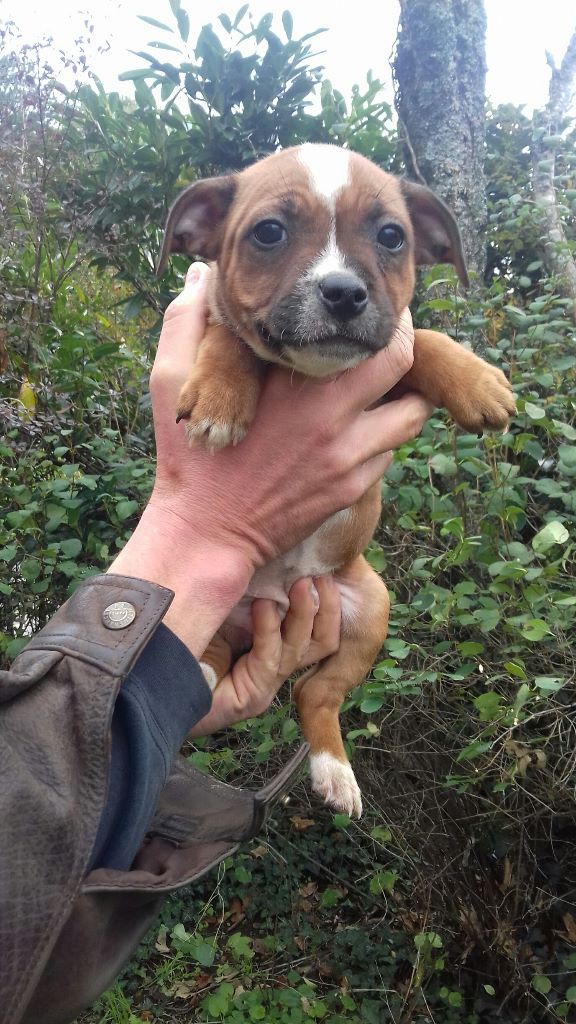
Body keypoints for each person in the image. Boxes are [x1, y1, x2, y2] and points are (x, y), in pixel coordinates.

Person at [0, 262, 431, 1024]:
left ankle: (320, 715)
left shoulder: (357, 317)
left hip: (329, 575)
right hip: (242, 590)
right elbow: (229, 330)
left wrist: (439, 363)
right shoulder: (240, 326)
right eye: (271, 236)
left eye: (387, 241)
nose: (336, 272)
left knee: (368, 609)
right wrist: (208, 529)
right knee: (225, 636)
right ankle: (218, 670)